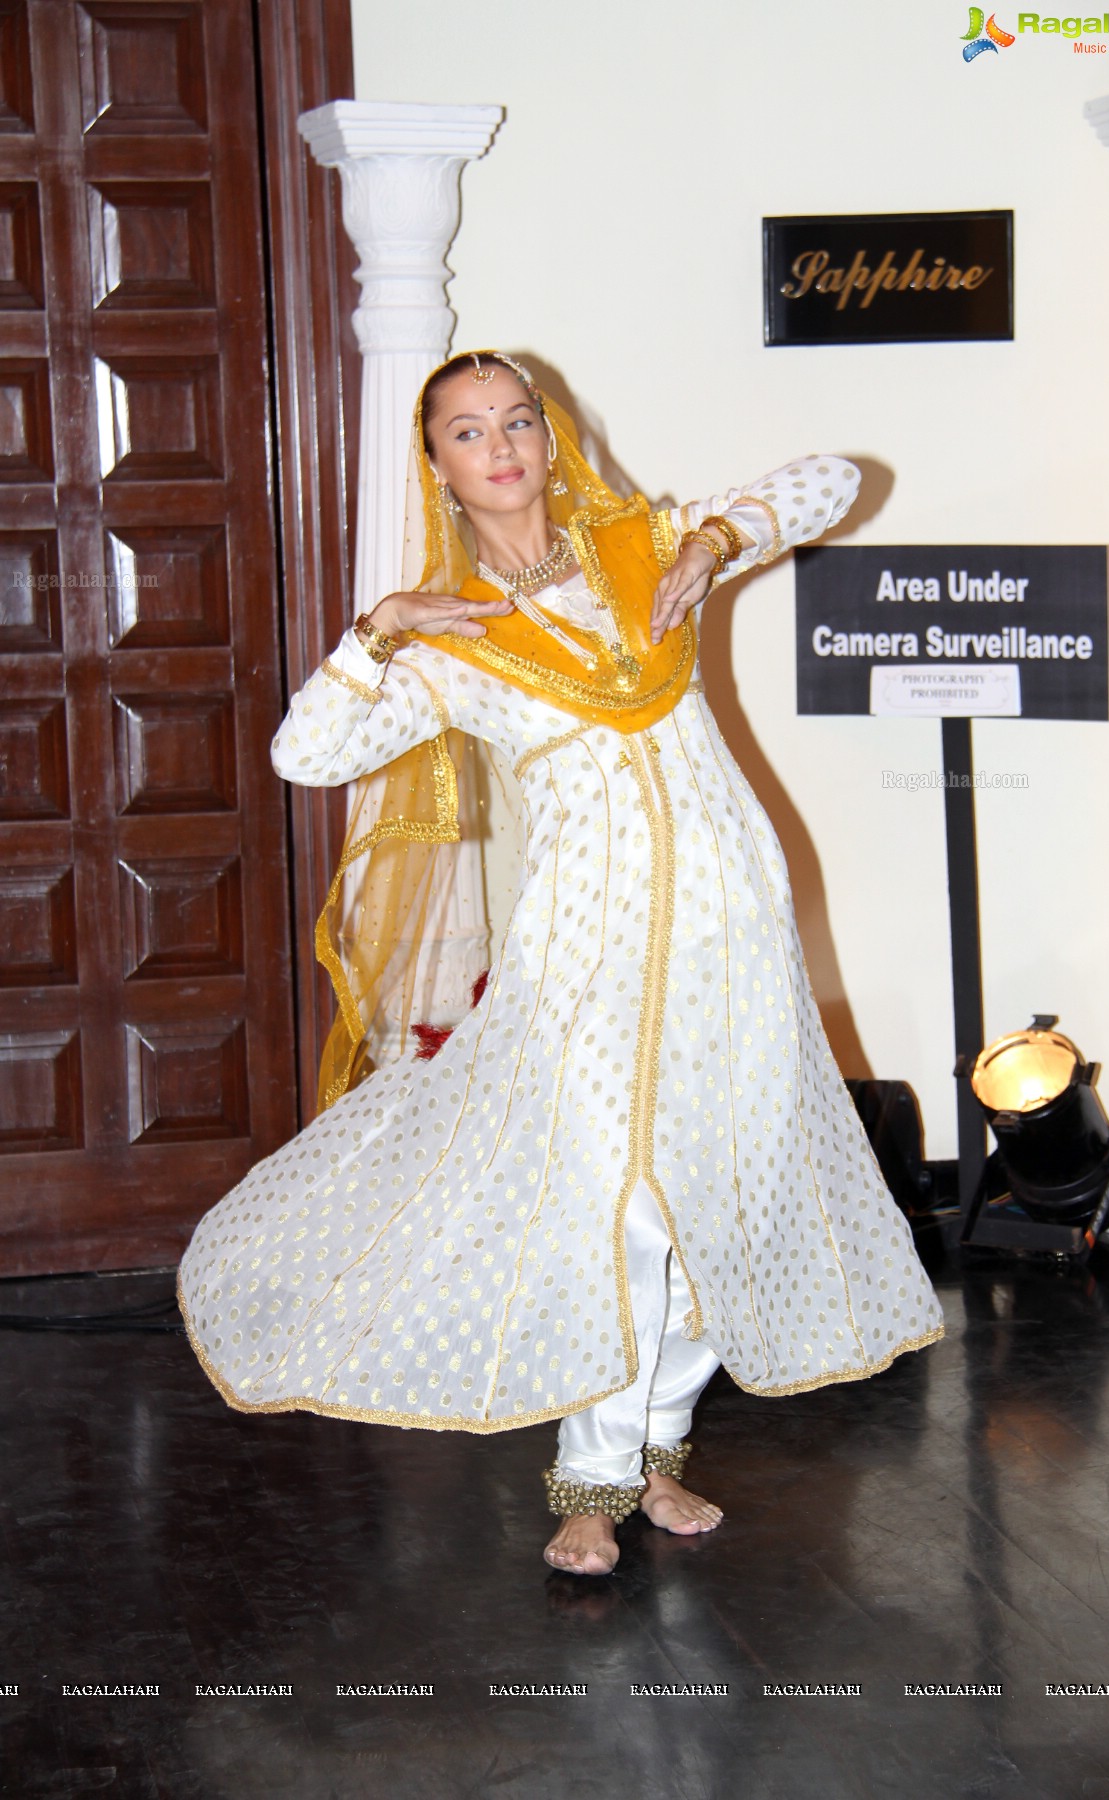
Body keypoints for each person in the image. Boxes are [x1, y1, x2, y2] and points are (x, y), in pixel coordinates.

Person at [177, 350, 945, 1578]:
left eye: (519, 420)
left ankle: (656, 1454)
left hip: (726, 925)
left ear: (553, 435)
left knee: (723, 1185)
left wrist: (720, 539)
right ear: (439, 468)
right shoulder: (453, 638)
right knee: (620, 1205)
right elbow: (303, 754)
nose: (501, 445)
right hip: (584, 942)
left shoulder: (646, 545)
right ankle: (589, 1482)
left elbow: (834, 479)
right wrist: (377, 631)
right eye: (469, 431)